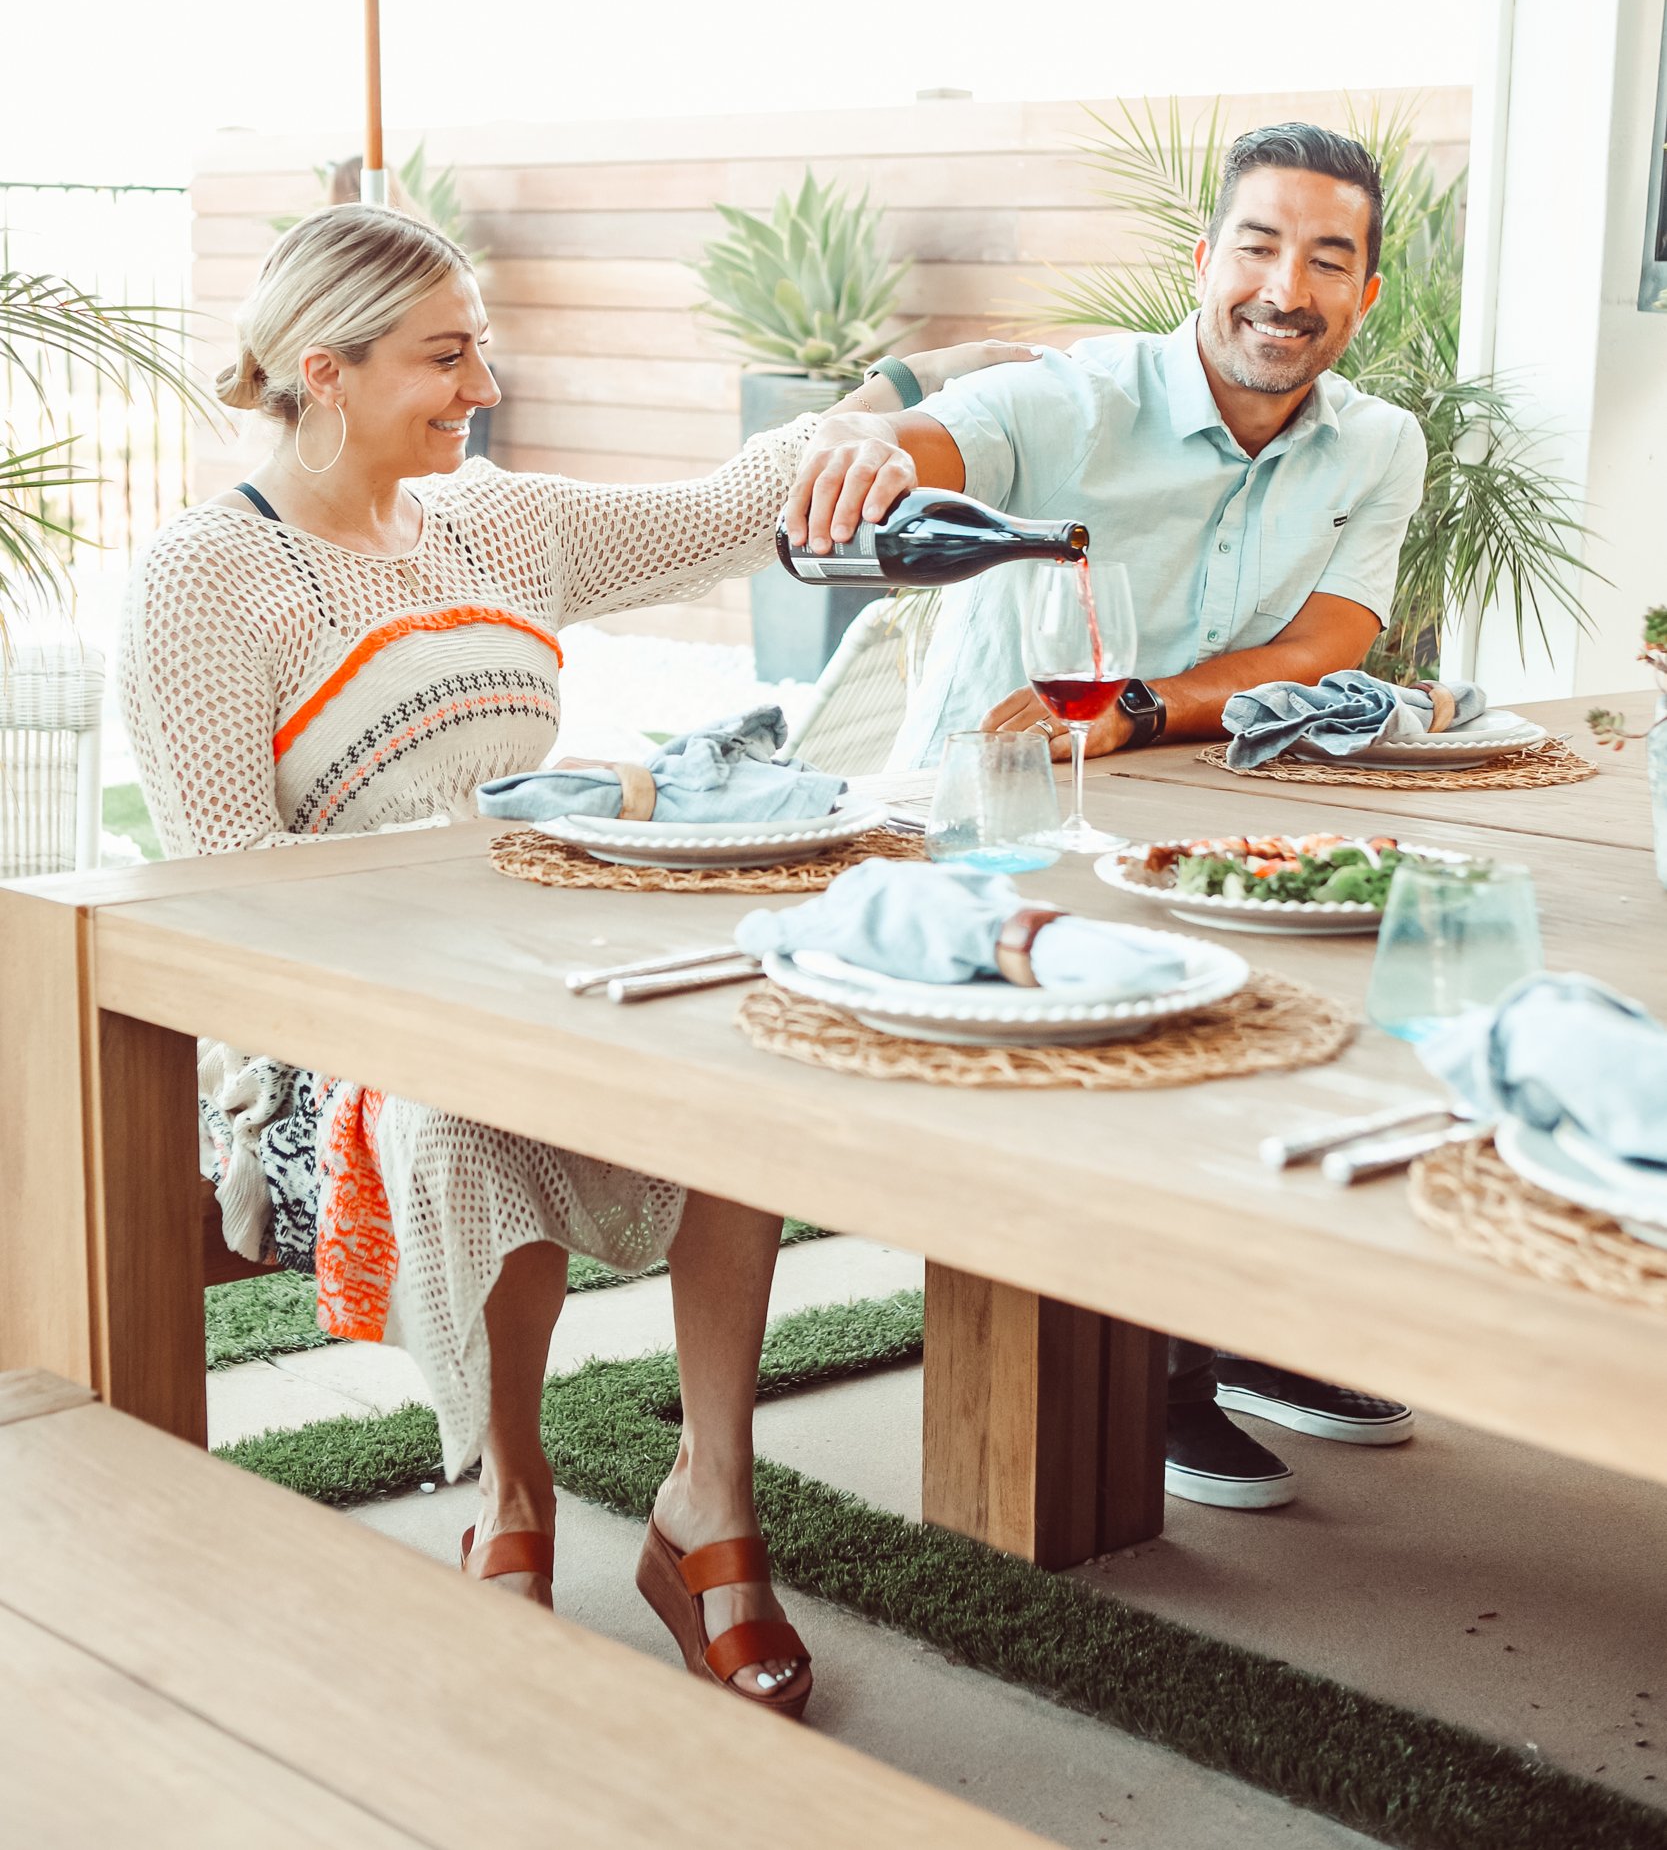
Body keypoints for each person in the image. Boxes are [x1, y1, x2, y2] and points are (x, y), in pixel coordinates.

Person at [120, 200, 1010, 1709]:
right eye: (445, 356)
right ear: (324, 370)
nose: (480, 388)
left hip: (546, 973)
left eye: (480, 354)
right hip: (326, 1039)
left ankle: (709, 1509)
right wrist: (452, 956)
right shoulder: (209, 577)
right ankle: (512, 1506)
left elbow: (735, 505)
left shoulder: (496, 523)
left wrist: (915, 398)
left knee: (745, 1044)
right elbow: (232, 892)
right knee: (466, 1113)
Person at [786, 123, 1427, 1508]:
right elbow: (941, 432)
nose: (1286, 288)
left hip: (1198, 798)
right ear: (1204, 262)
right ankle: (1152, 1376)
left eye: (1329, 258)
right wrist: (865, 442)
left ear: (1364, 296)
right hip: (1007, 816)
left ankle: (1246, 1339)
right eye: (1258, 246)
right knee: (1137, 1035)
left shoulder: (1380, 443)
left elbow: (1327, 643)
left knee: (1337, 991)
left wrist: (1140, 708)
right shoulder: (1081, 400)